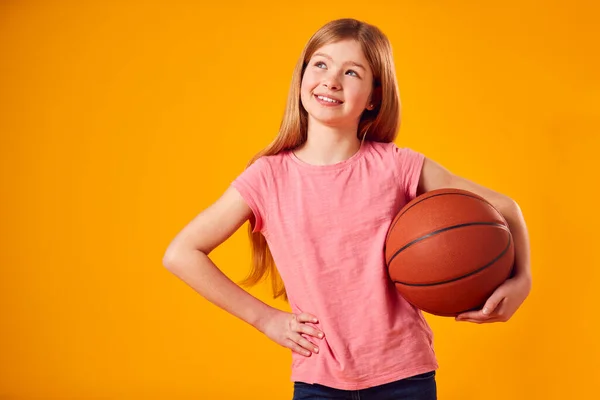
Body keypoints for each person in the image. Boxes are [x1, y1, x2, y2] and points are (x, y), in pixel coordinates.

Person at [162, 18, 532, 400]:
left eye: (351, 71)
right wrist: (266, 320)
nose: (331, 80)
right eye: (320, 64)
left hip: (406, 377)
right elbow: (180, 253)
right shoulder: (267, 177)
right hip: (318, 381)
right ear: (302, 76)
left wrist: (522, 280)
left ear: (374, 96)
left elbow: (505, 207)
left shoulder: (397, 165)